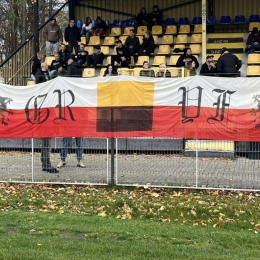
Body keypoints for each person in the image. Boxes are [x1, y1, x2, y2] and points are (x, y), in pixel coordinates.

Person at [57, 58, 85, 169]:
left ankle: (79, 160)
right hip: (68, 119)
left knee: (79, 142)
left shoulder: (79, 93)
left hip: (78, 120)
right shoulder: (67, 93)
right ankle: (63, 160)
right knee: (66, 142)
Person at [35, 62, 59, 173]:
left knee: (46, 145)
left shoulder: (47, 75)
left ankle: (46, 164)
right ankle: (46, 165)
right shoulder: (39, 74)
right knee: (46, 145)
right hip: (45, 122)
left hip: (46, 121)